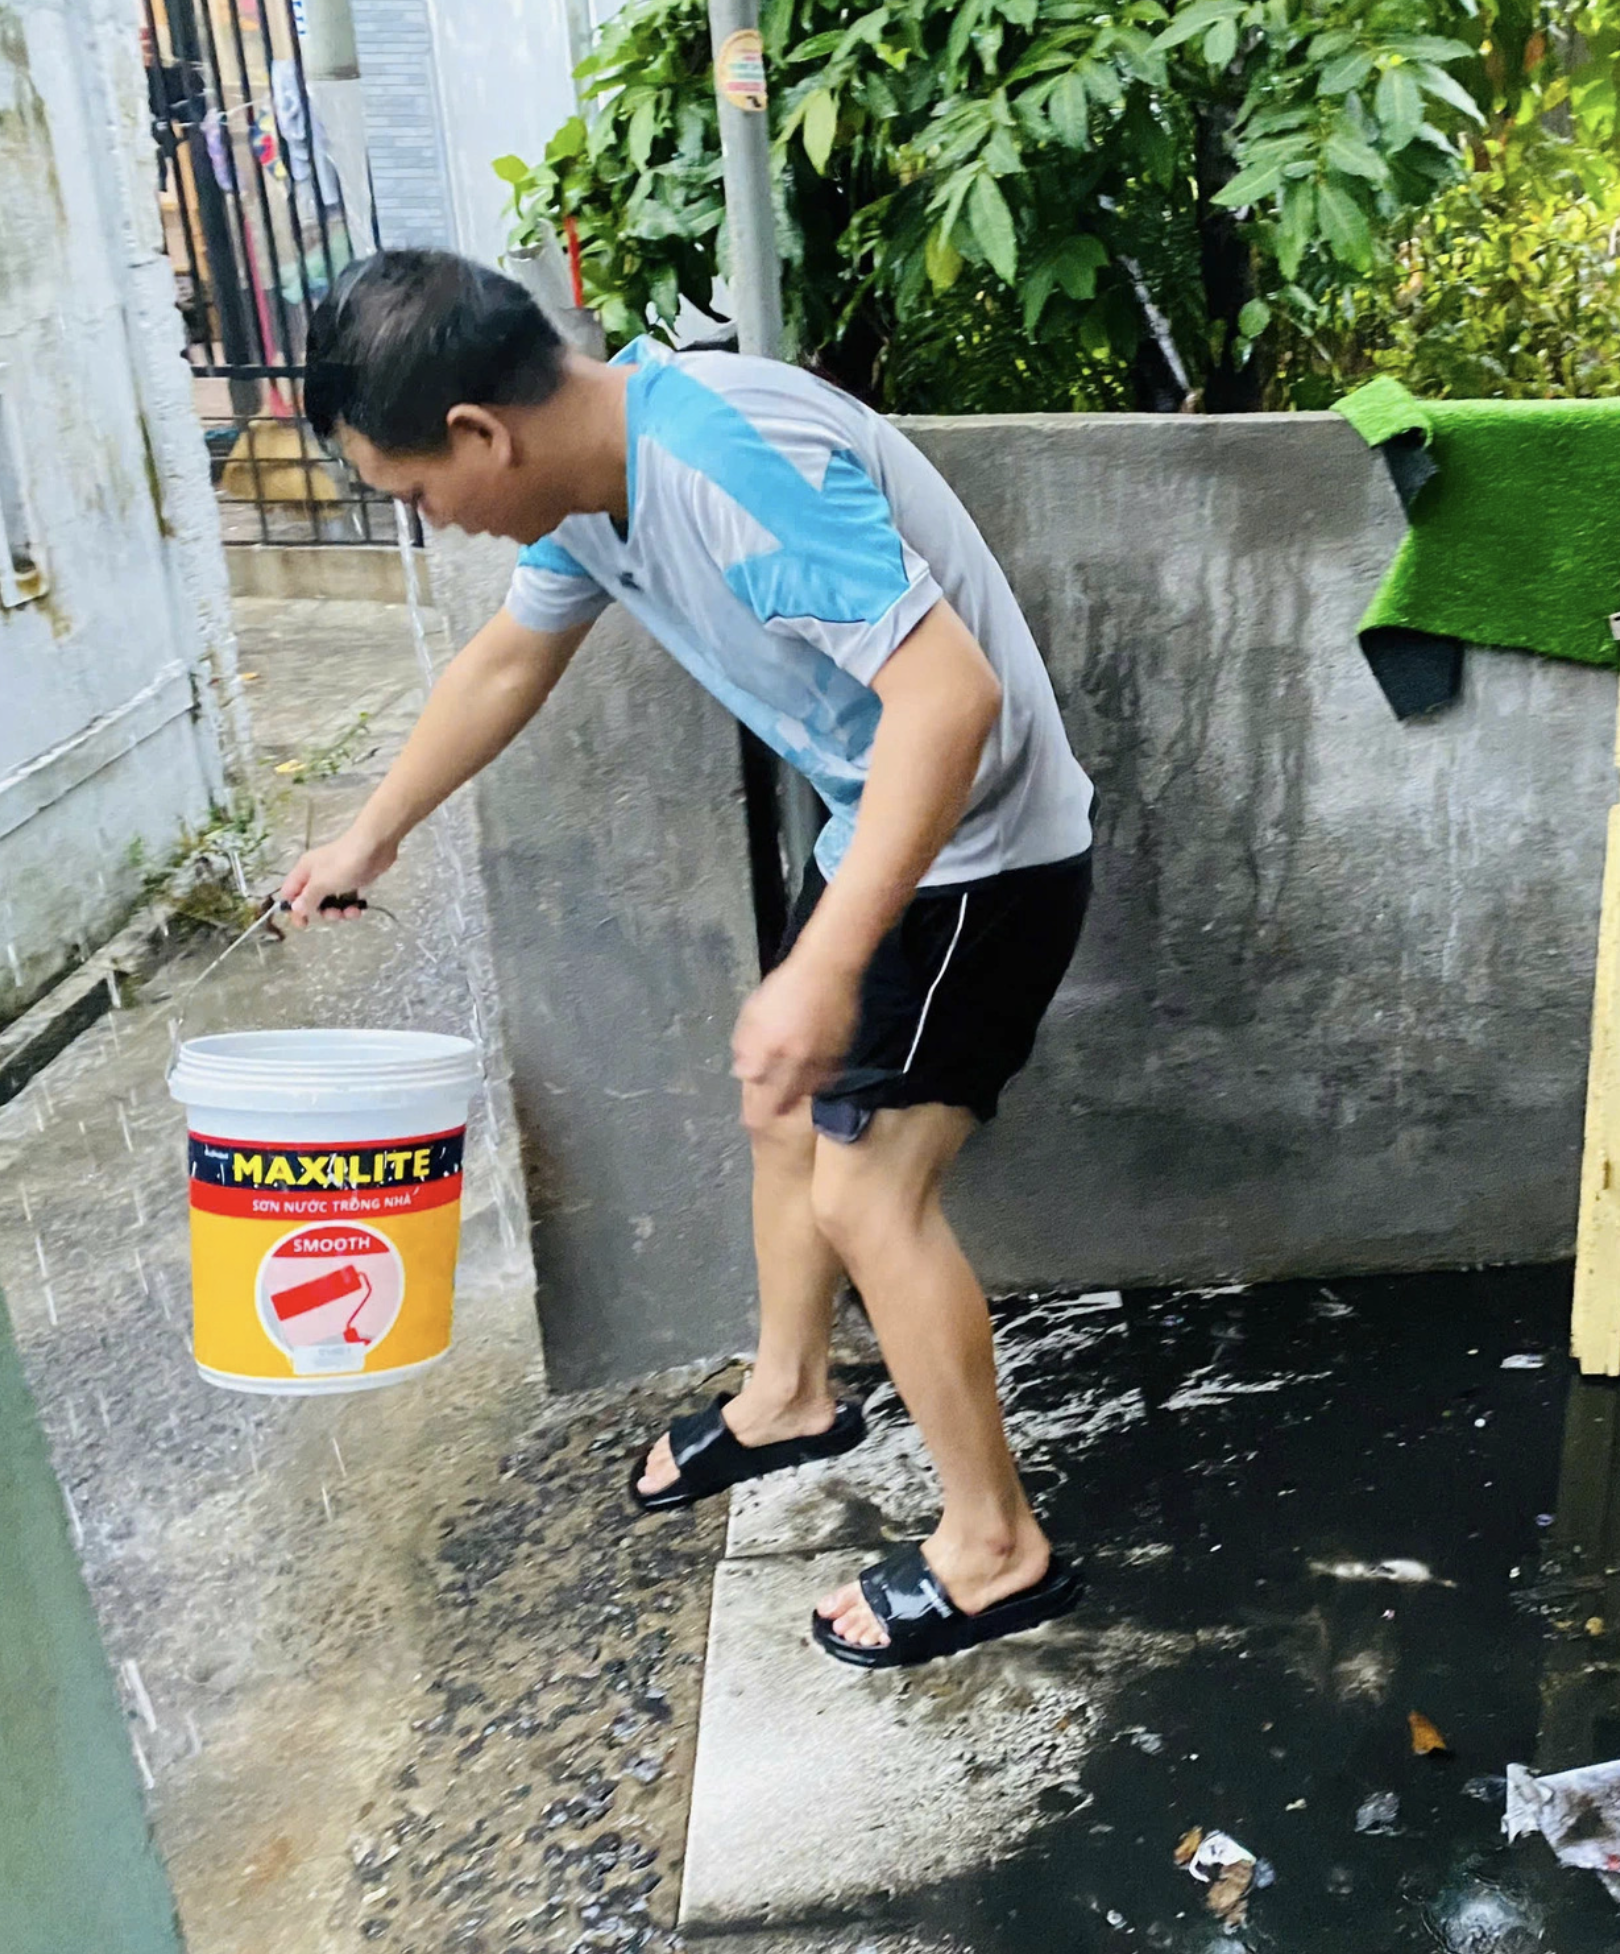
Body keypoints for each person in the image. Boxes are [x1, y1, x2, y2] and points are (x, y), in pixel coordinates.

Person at [284, 250, 1094, 1668]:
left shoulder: (728, 459)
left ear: (483, 433)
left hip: (984, 852)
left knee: (867, 1186)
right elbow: (503, 662)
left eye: (415, 492)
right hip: (882, 822)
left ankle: (994, 1546)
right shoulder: (593, 490)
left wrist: (827, 959)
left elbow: (948, 697)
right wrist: (371, 832)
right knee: (785, 1104)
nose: (432, 521)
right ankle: (789, 1392)